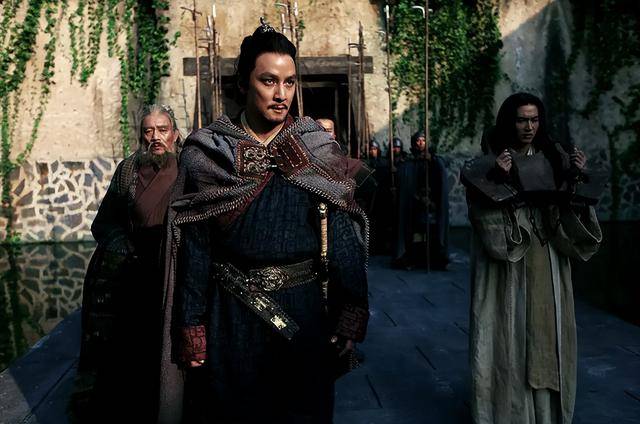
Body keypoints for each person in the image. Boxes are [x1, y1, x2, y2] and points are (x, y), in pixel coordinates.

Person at [160, 19, 369, 423]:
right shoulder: (210, 153)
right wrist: (191, 325)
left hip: (304, 315)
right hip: (230, 318)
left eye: (289, 83)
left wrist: (350, 313)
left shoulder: (315, 148)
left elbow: (343, 237)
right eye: (269, 81)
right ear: (244, 83)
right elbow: (195, 249)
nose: (281, 94)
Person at [464, 93, 602, 424]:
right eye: (522, 120)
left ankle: (546, 415)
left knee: (546, 333)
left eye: (535, 120)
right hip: (511, 265)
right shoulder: (490, 162)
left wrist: (577, 177)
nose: (529, 127)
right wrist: (497, 181)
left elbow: (573, 213)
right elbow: (481, 214)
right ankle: (511, 414)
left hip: (547, 257)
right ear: (509, 122)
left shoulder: (555, 159)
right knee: (510, 334)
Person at [74, 104, 181, 422]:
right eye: (148, 130)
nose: (155, 137)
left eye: (162, 130)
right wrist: (123, 245)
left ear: (175, 135)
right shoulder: (128, 171)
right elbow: (103, 223)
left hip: (171, 274)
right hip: (131, 277)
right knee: (126, 357)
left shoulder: (188, 170)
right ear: (140, 135)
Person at [393, 130, 449, 269]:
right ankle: (410, 258)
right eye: (418, 140)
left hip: (431, 203)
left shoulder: (434, 160)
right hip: (414, 204)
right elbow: (407, 183)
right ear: (414, 143)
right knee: (412, 232)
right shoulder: (408, 162)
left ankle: (435, 259)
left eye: (423, 140)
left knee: (432, 232)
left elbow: (440, 175)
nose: (420, 143)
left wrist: (432, 160)